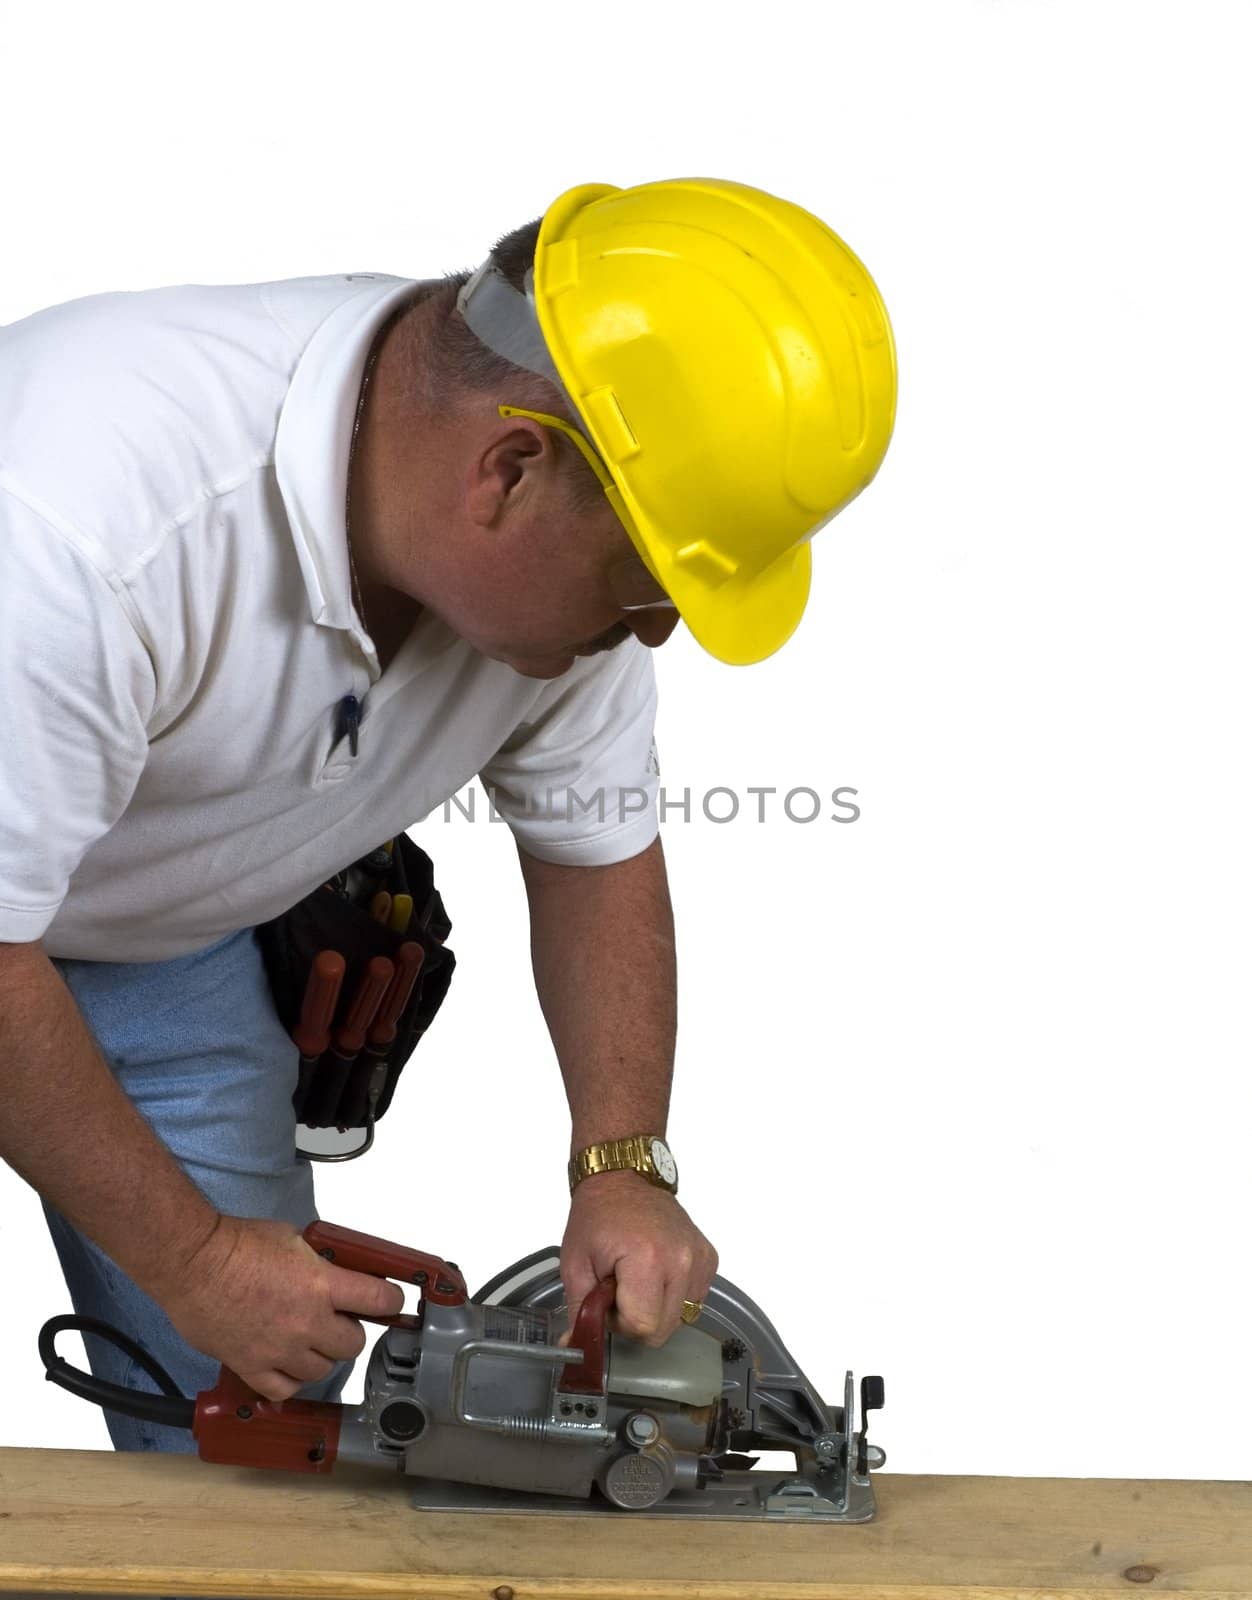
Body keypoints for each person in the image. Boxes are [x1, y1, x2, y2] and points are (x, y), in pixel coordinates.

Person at [0, 177, 896, 1453]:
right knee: (219, 1291)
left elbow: (597, 852)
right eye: (650, 584)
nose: (658, 628)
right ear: (511, 466)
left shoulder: (566, 586)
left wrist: (623, 1165)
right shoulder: (78, 515)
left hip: (147, 948)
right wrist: (192, 1253)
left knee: (259, 1428)